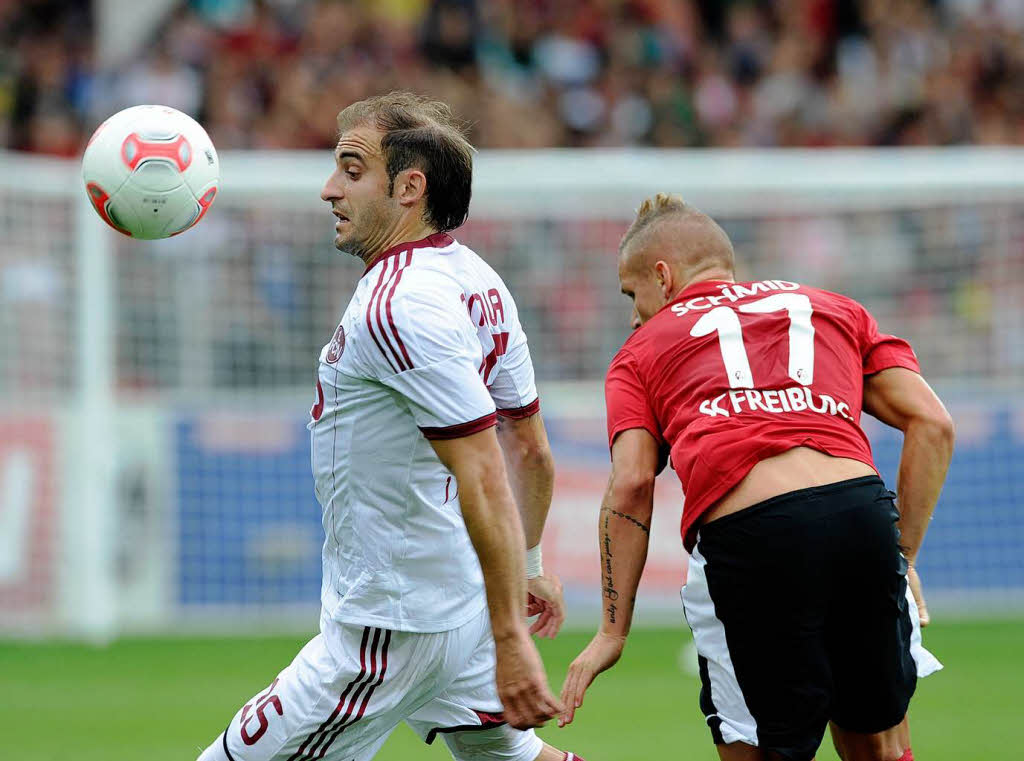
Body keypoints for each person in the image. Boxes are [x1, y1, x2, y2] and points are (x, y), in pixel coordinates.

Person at [198, 92, 585, 761]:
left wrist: (512, 637)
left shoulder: (396, 305)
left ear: (409, 188)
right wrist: (527, 567)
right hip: (452, 601)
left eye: (351, 170)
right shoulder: (478, 280)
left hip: (392, 624)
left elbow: (488, 467)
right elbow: (532, 451)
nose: (328, 190)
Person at [559, 193, 953, 761]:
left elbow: (633, 485)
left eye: (632, 292)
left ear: (663, 277)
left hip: (753, 535)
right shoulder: (833, 307)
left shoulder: (640, 350)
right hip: (859, 514)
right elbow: (933, 423)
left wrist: (612, 633)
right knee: (882, 746)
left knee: (762, 747)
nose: (632, 314)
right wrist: (903, 557)